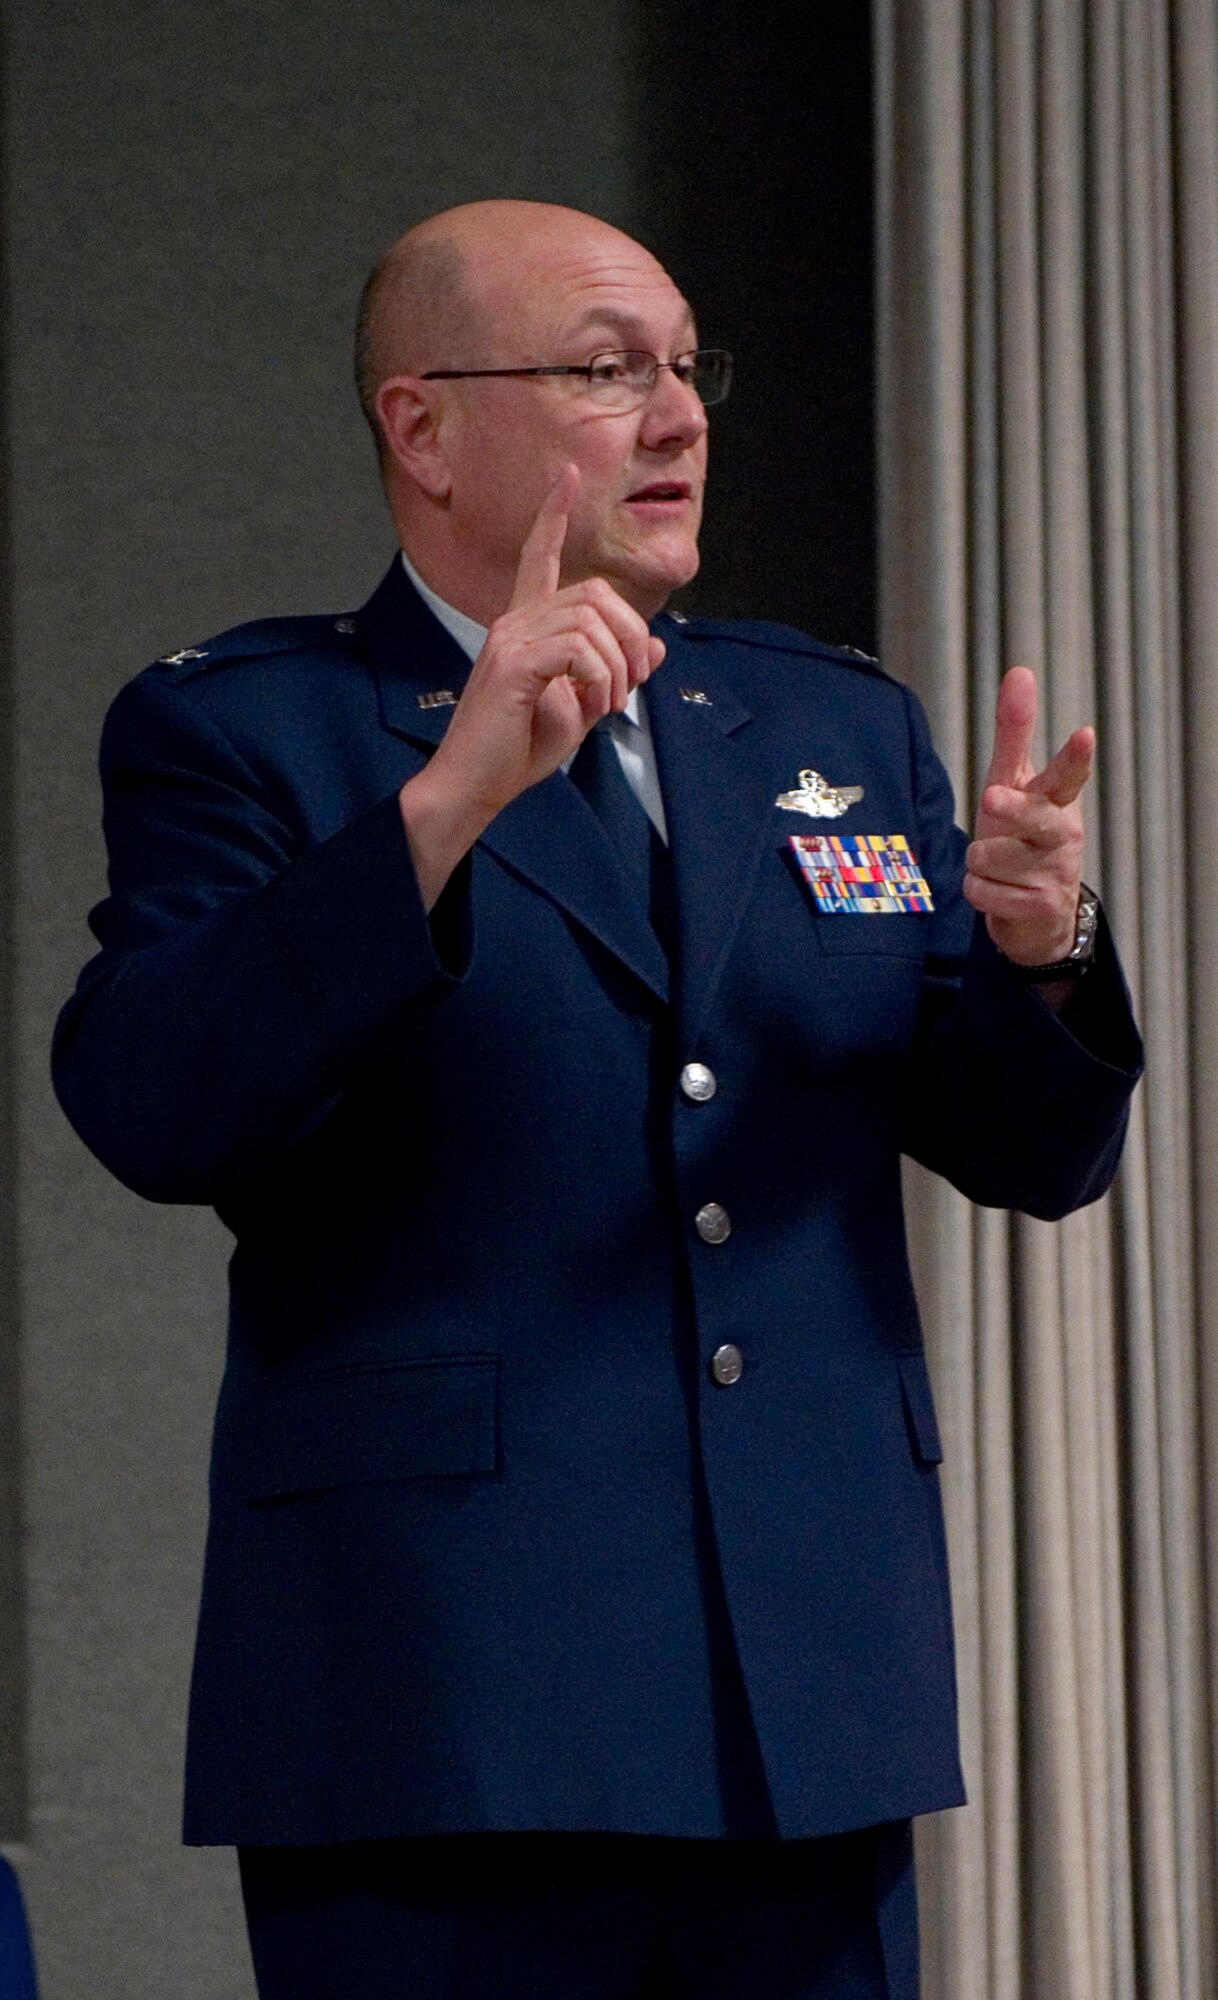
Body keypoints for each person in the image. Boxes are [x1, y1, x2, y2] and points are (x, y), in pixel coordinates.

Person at [53, 200, 1143, 1998]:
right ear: (422, 429)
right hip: (443, 1705)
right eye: (602, 368)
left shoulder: (828, 730)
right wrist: (439, 813)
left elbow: (1035, 1153)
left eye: (685, 366)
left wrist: (1044, 945)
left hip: (797, 1702)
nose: (679, 412)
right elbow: (156, 1105)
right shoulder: (251, 730)